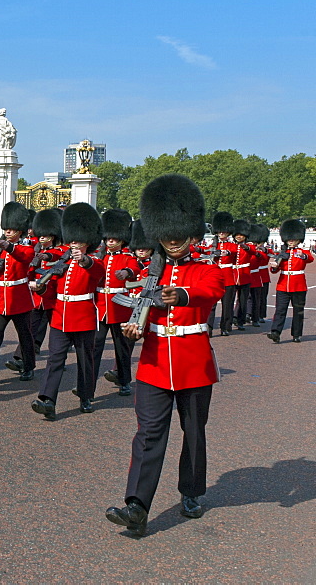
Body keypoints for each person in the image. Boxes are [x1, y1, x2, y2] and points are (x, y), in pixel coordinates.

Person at [105, 173, 224, 537]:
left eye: (179, 236)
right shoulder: (150, 273)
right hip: (155, 363)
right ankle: (137, 506)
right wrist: (134, 326)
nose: (172, 242)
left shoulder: (205, 268)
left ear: (191, 234)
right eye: (166, 236)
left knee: (193, 432)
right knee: (148, 433)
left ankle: (191, 492)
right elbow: (138, 308)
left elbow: (211, 291)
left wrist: (182, 296)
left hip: (193, 364)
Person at [31, 202, 105, 419]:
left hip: (83, 317)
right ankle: (47, 399)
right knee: (55, 358)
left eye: (79, 241)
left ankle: (86, 396)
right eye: (72, 240)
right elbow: (52, 287)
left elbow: (97, 270)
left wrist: (84, 260)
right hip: (60, 316)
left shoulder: (93, 261)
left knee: (85, 359)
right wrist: (42, 286)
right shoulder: (62, 262)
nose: (74, 245)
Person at [7, 207, 65, 379]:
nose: (41, 237)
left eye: (45, 234)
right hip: (38, 296)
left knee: (59, 333)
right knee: (30, 328)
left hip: (54, 297)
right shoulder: (35, 247)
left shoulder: (61, 250)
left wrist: (45, 257)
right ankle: (22, 359)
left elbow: (56, 257)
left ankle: (57, 360)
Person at [0, 202, 36, 385]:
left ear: (20, 230)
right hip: (1, 298)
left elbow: (23, 257)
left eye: (11, 229)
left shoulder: (26, 247)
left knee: (25, 336)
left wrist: (8, 247)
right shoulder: (2, 250)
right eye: (6, 228)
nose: (8, 231)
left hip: (19, 298)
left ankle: (29, 367)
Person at [93, 209, 140, 397]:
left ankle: (124, 381)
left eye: (114, 238)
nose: (110, 241)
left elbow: (135, 269)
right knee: (95, 346)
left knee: (121, 347)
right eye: (108, 238)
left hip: (119, 308)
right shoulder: (100, 257)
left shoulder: (127, 257)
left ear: (122, 239)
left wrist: (127, 272)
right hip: (100, 308)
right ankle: (89, 384)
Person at [267, 219, 313, 343]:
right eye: (289, 239)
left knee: (298, 311)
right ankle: (275, 332)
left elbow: (309, 258)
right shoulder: (283, 253)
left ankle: (296, 334)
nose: (291, 241)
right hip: (283, 286)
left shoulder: (303, 252)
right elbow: (274, 270)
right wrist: (274, 266)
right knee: (280, 310)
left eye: (293, 239)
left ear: (299, 239)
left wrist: (302, 255)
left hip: (298, 286)